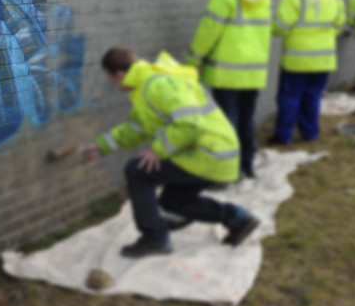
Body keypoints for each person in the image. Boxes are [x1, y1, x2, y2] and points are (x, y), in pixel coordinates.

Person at [82, 47, 260, 259]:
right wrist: (102, 146)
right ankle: (239, 218)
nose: (113, 85)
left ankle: (155, 238)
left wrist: (158, 151)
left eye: (111, 80)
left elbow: (191, 124)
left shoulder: (158, 85)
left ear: (119, 75)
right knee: (172, 202)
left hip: (210, 154)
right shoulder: (145, 87)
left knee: (137, 171)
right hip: (214, 155)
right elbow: (136, 129)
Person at [186, 0, 272, 179]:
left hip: (227, 73)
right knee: (247, 117)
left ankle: (229, 169)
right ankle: (247, 164)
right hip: (253, 72)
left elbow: (209, 29)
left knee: (227, 121)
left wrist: (194, 60)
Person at [268, 0, 345, 145]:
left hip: (297, 60)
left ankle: (283, 136)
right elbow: (339, 26)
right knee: (313, 97)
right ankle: (310, 134)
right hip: (324, 59)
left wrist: (269, 27)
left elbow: (280, 27)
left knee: (289, 98)